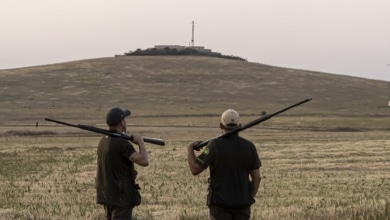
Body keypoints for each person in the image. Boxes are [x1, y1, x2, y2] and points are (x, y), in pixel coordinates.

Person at [187, 109, 261, 220]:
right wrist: (249, 198)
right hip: (243, 205)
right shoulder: (250, 147)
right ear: (239, 125)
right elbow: (257, 178)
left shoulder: (214, 145)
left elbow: (195, 169)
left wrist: (190, 148)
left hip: (220, 205)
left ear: (221, 125)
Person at [96, 107, 149, 220]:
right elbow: (144, 161)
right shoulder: (121, 143)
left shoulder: (103, 141)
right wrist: (140, 142)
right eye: (125, 119)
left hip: (108, 196)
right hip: (121, 198)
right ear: (122, 122)